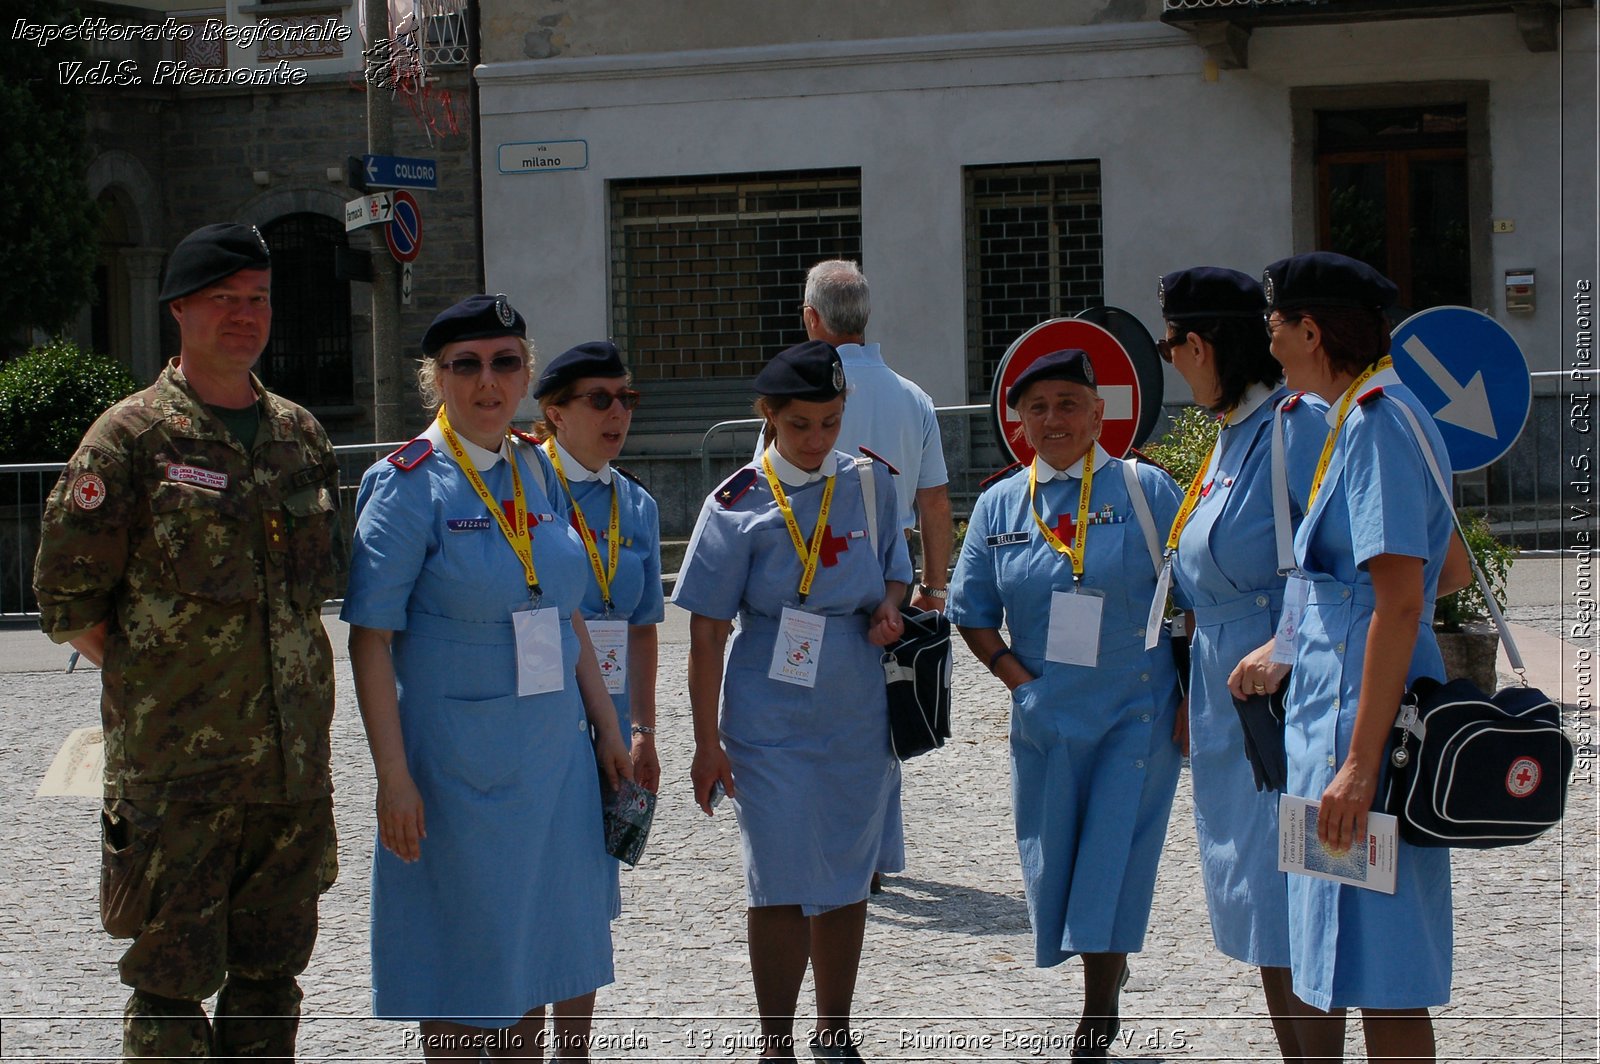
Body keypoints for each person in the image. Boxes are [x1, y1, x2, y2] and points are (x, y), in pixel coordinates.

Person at [32, 222, 342, 1060]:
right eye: (223, 301)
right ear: (179, 311)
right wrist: (165, 682)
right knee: (168, 992)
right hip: (175, 780)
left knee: (272, 985)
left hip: (289, 776)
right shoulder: (130, 441)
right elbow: (68, 600)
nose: (244, 317)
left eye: (258, 301)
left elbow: (317, 593)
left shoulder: (302, 440)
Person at [342, 295, 633, 1061]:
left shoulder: (534, 468)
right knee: (466, 968)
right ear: (435, 378)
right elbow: (370, 639)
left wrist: (607, 725)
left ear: (526, 373)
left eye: (505, 362)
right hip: (458, 770)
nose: (486, 381)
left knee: (533, 957)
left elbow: (561, 607)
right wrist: (392, 777)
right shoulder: (407, 483)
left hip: (550, 760)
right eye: (464, 365)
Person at [1231, 252, 1471, 1062]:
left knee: (1385, 970)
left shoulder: (1374, 423)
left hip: (1361, 730)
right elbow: (1454, 570)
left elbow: (1404, 599)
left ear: (1310, 330)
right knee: (1336, 953)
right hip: (1332, 718)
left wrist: (1361, 766)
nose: (1267, 336)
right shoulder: (1361, 416)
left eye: (1276, 322)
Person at [676, 340, 911, 1063]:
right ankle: (775, 1042)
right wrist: (706, 741)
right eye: (800, 424)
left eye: (831, 422)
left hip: (854, 703)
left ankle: (834, 1030)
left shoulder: (871, 484)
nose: (816, 440)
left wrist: (891, 609)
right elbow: (708, 633)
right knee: (777, 872)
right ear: (769, 417)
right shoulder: (736, 503)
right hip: (767, 709)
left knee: (845, 866)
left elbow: (896, 574)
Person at [948, 349, 1184, 1061]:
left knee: (1112, 853)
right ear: (1018, 421)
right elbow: (972, 610)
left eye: (1068, 403)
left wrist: (1190, 696)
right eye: (1038, 408)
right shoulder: (998, 503)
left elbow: (1192, 603)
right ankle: (1100, 973)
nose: (1054, 419)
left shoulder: (1146, 490)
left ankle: (1097, 1006)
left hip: (1135, 712)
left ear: (1099, 412)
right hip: (1049, 713)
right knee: (1053, 857)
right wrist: (1021, 682)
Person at [1156, 266, 1331, 1059]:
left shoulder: (1297, 427)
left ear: (1200, 344)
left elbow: (1344, 570)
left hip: (1290, 697)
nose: (1171, 363)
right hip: (1229, 698)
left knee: (1305, 901)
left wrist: (1285, 645)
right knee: (1262, 911)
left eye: (1170, 348)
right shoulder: (1230, 434)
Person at [791, 259, 953, 894]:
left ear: (812, 319)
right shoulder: (911, 397)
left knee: (809, 711)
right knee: (882, 719)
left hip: (816, 573)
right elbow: (936, 500)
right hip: (893, 571)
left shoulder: (799, 393)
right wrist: (934, 589)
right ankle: (878, 850)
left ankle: (827, 844)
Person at [532, 339, 664, 920]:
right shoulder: (528, 488)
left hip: (609, 722)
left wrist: (644, 729)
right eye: (601, 399)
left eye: (627, 398)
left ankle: (577, 1017)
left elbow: (642, 628)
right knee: (541, 895)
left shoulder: (636, 504)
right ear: (556, 413)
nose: (619, 413)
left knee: (591, 900)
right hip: (547, 712)